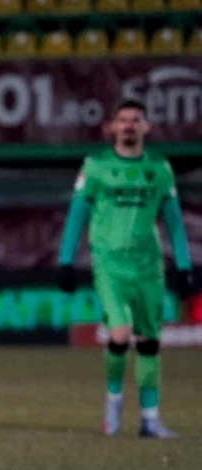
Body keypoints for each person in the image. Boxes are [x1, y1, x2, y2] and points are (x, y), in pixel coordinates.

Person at [57, 98, 193, 439]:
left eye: (135, 120)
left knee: (149, 341)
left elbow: (174, 222)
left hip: (148, 266)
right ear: (112, 127)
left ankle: (149, 419)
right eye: (123, 120)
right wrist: (65, 260)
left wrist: (185, 265)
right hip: (110, 264)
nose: (129, 125)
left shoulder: (160, 169)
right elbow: (77, 214)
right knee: (118, 334)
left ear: (146, 127)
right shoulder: (96, 166)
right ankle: (114, 400)